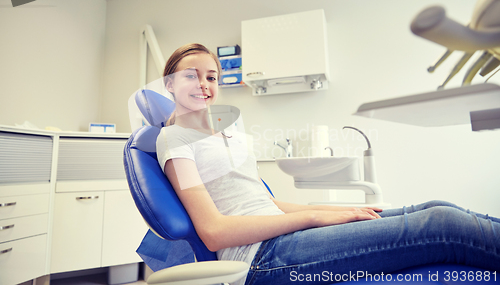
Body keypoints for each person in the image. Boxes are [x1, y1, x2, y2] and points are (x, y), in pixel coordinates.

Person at [156, 43, 500, 285]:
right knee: (442, 224)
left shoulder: (224, 135)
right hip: (262, 260)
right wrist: (313, 217)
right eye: (191, 75)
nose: (203, 84)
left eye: (212, 77)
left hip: (284, 237)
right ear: (169, 84)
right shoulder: (174, 139)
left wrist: (334, 211)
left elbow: (267, 204)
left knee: (435, 206)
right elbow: (214, 233)